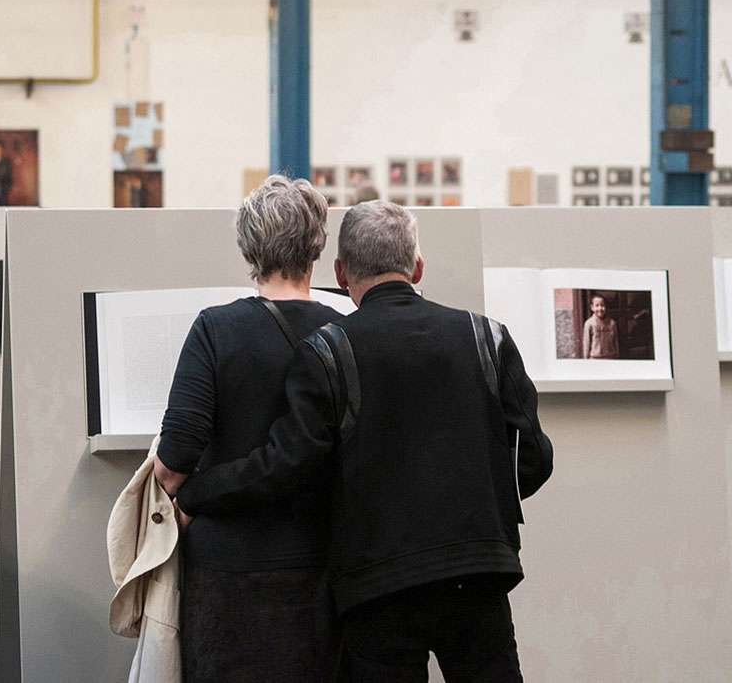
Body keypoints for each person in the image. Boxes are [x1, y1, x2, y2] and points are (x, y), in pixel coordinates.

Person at [174, 200, 553, 683]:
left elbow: (288, 463)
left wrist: (198, 491)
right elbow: (534, 457)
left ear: (341, 271)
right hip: (477, 570)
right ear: (417, 267)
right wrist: (481, 507)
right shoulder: (487, 336)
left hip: (379, 583)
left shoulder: (330, 350)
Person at [152, 175, 343, 683]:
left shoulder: (216, 328)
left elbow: (177, 453)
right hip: (319, 562)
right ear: (316, 245)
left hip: (226, 569)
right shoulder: (345, 331)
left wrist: (185, 495)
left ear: (248, 246)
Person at [582, 294, 620, 359]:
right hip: (595, 359)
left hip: (610, 358)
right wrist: (586, 358)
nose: (600, 308)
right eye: (597, 306)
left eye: (602, 305)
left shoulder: (612, 323)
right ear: (592, 307)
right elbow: (586, 343)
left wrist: (617, 354)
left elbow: (615, 341)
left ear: (605, 307)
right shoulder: (589, 324)